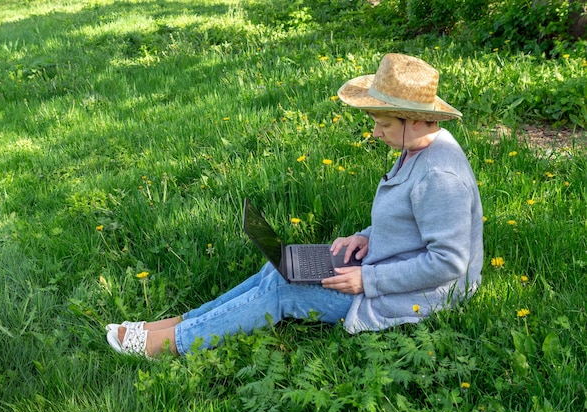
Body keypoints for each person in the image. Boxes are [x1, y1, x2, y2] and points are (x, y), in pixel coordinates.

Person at [106, 53, 484, 357]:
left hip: (419, 298)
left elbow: (450, 262)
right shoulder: (417, 147)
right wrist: (366, 236)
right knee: (281, 269)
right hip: (386, 265)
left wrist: (368, 280)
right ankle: (183, 323)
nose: (374, 133)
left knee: (284, 292)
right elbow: (412, 221)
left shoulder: (440, 177)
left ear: (417, 121)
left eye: (383, 123)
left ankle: (170, 344)